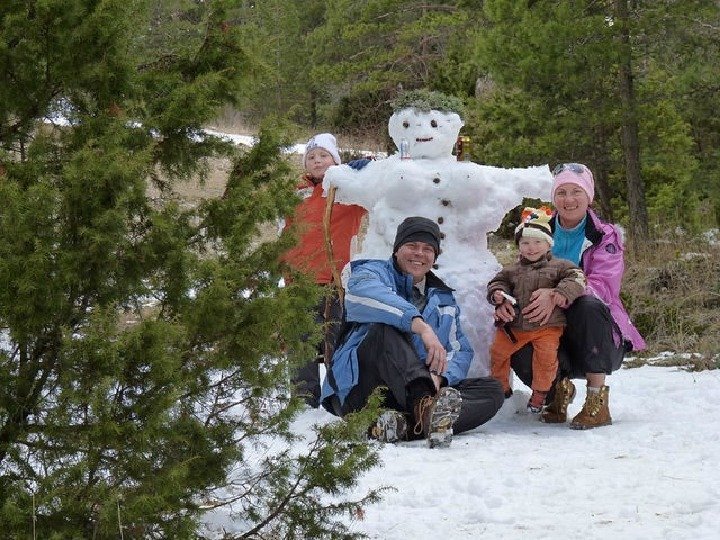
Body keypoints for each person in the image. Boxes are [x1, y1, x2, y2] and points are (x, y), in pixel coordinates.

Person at [321, 216, 504, 448]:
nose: (419, 253)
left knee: (491, 390)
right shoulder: (371, 272)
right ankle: (425, 410)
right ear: (397, 249)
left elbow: (460, 350)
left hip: (406, 395)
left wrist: (440, 377)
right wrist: (421, 326)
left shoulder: (443, 299)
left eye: (428, 249)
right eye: (412, 245)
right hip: (359, 388)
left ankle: (407, 424)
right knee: (383, 329)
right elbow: (364, 296)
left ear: (434, 256)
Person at [510, 163, 646, 429]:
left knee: (588, 305)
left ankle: (597, 400)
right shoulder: (538, 230)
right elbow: (522, 273)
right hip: (552, 324)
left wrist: (558, 293)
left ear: (589, 196)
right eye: (561, 192)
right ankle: (557, 390)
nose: (568, 199)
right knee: (515, 328)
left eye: (576, 192)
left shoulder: (604, 235)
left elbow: (604, 285)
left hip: (593, 331)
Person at [282, 133, 366, 407]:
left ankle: (338, 398)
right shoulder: (295, 192)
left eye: (323, 155)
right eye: (311, 157)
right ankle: (303, 401)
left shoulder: (348, 191)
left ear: (335, 160)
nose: (317, 161)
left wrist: (365, 169)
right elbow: (286, 233)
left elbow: (379, 188)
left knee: (337, 341)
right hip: (300, 283)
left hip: (335, 283)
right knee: (301, 342)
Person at [488, 206, 586, 413]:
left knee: (546, 360)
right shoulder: (511, 270)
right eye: (525, 243)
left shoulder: (560, 265)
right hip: (515, 326)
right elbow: (498, 282)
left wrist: (561, 292)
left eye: (537, 242)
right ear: (518, 246)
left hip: (547, 327)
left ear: (548, 244)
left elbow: (577, 277)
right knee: (498, 353)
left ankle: (540, 393)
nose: (531, 248)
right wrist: (498, 295)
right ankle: (500, 388)